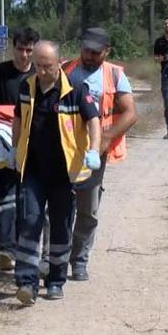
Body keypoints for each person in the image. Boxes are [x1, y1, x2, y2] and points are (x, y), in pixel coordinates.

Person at [12, 41, 102, 305]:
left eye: (47, 66)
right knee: (30, 221)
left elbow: (93, 121)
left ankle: (55, 280)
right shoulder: (26, 88)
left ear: (59, 64)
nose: (41, 71)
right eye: (38, 66)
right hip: (33, 171)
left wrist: (94, 150)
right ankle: (26, 282)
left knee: (61, 227)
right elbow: (18, 119)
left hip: (63, 173)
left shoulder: (75, 90)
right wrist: (14, 148)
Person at [60, 27, 138, 282]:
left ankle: (79, 260)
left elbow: (129, 112)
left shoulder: (115, 75)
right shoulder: (64, 69)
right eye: (86, 50)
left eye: (96, 52)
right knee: (58, 205)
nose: (89, 56)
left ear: (107, 51)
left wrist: (105, 138)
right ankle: (53, 258)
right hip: (63, 147)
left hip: (94, 151)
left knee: (88, 208)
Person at [0, 27, 40, 271]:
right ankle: (6, 248)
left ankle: (23, 249)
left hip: (33, 144)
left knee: (28, 198)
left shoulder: (39, 74)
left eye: (28, 50)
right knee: (3, 196)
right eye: (20, 49)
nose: (24, 55)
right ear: (12, 47)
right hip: (2, 142)